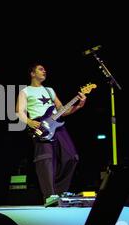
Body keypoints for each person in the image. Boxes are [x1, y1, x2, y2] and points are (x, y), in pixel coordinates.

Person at [16, 63, 86, 207]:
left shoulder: (50, 91)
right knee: (46, 159)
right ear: (32, 73)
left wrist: (78, 105)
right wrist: (29, 121)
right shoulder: (25, 91)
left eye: (45, 69)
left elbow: (62, 110)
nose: (44, 71)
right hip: (40, 126)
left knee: (72, 157)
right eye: (40, 69)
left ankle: (59, 192)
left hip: (57, 126)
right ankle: (49, 195)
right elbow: (19, 111)